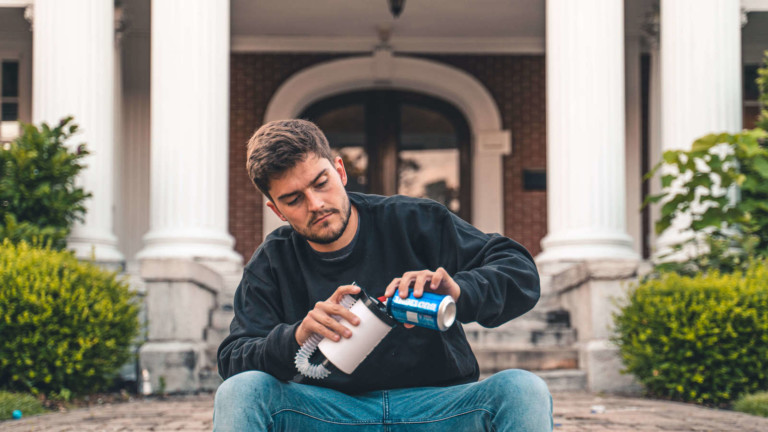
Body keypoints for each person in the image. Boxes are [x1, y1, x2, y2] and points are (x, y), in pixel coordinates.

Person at [214, 119, 553, 431]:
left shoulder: (414, 220)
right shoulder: (273, 260)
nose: (315, 204)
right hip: (328, 415)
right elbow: (234, 359)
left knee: (522, 389)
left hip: (438, 409)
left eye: (321, 183)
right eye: (293, 199)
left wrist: (460, 291)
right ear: (276, 210)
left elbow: (520, 271)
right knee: (242, 391)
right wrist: (297, 337)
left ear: (340, 171)